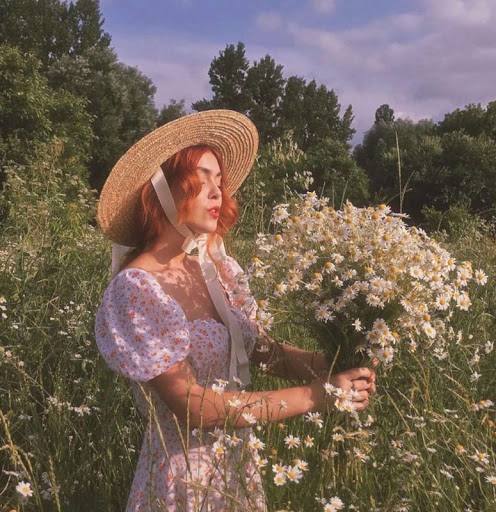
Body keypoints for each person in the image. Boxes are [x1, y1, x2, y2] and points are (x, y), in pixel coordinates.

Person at [94, 110, 376, 512]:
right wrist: (318, 396)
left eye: (219, 181)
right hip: (183, 479)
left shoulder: (215, 272)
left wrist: (342, 362)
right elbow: (192, 407)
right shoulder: (138, 288)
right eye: (201, 177)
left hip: (236, 469)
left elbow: (267, 354)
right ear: (160, 190)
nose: (217, 192)